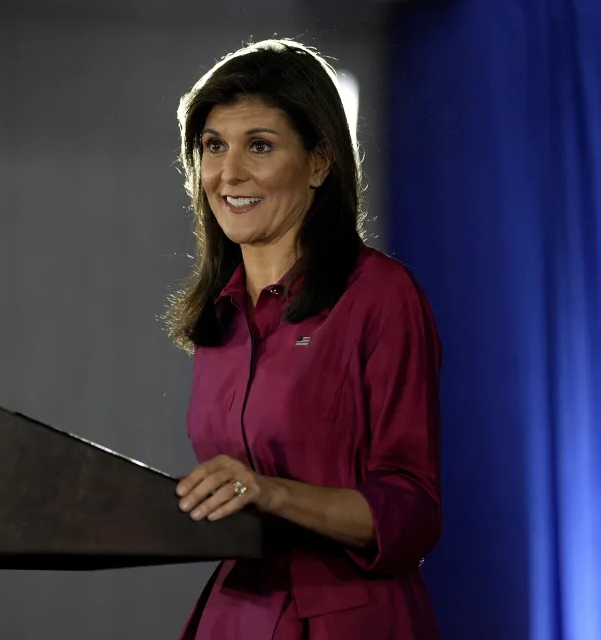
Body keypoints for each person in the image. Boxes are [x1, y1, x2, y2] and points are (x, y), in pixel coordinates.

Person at [166, 39, 443, 639]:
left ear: (319, 162)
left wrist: (271, 493)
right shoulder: (219, 318)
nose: (229, 173)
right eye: (214, 147)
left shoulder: (379, 295)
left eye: (259, 146)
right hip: (236, 615)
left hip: (350, 619)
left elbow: (413, 511)